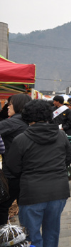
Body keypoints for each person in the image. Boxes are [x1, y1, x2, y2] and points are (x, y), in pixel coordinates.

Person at [6, 100, 71, 247]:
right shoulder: (61, 135)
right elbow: (69, 158)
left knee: (31, 235)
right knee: (52, 231)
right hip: (58, 191)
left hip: (32, 193)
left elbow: (13, 167)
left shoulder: (21, 139)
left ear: (27, 116)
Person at [0, 93, 31, 224]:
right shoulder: (29, 122)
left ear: (18, 106)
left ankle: (3, 237)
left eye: (10, 104)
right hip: (29, 172)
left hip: (12, 173)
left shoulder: (11, 123)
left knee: (2, 206)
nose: (7, 107)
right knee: (26, 207)